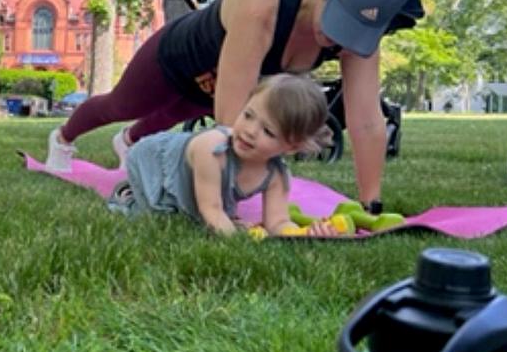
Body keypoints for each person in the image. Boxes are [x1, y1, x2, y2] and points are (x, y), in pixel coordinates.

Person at [47, 0, 421, 214]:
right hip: (177, 57)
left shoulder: (359, 40)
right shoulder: (262, 5)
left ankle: (129, 142)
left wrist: (370, 205)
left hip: (215, 85)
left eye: (353, 31)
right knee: (125, 105)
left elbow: (367, 121)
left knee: (169, 118)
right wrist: (224, 203)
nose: (338, 39)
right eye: (337, 21)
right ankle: (63, 139)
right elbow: (230, 120)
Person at [107, 74, 339, 237]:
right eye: (248, 115)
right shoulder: (213, 150)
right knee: (163, 215)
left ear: (290, 147)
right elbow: (211, 211)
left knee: (210, 216)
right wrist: (239, 238)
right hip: (153, 159)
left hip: (203, 185)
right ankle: (128, 195)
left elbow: (277, 222)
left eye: (267, 131)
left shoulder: (276, 175)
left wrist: (305, 233)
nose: (249, 130)